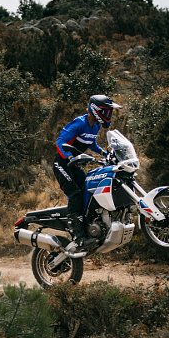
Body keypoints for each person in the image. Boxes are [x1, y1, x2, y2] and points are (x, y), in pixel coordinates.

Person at [52, 94, 121, 246]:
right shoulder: (79, 123)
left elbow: (91, 143)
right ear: (96, 110)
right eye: (106, 111)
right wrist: (70, 157)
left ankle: (90, 227)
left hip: (74, 165)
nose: (109, 115)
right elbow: (60, 142)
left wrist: (105, 153)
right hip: (62, 164)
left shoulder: (95, 126)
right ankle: (78, 235)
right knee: (75, 194)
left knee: (87, 193)